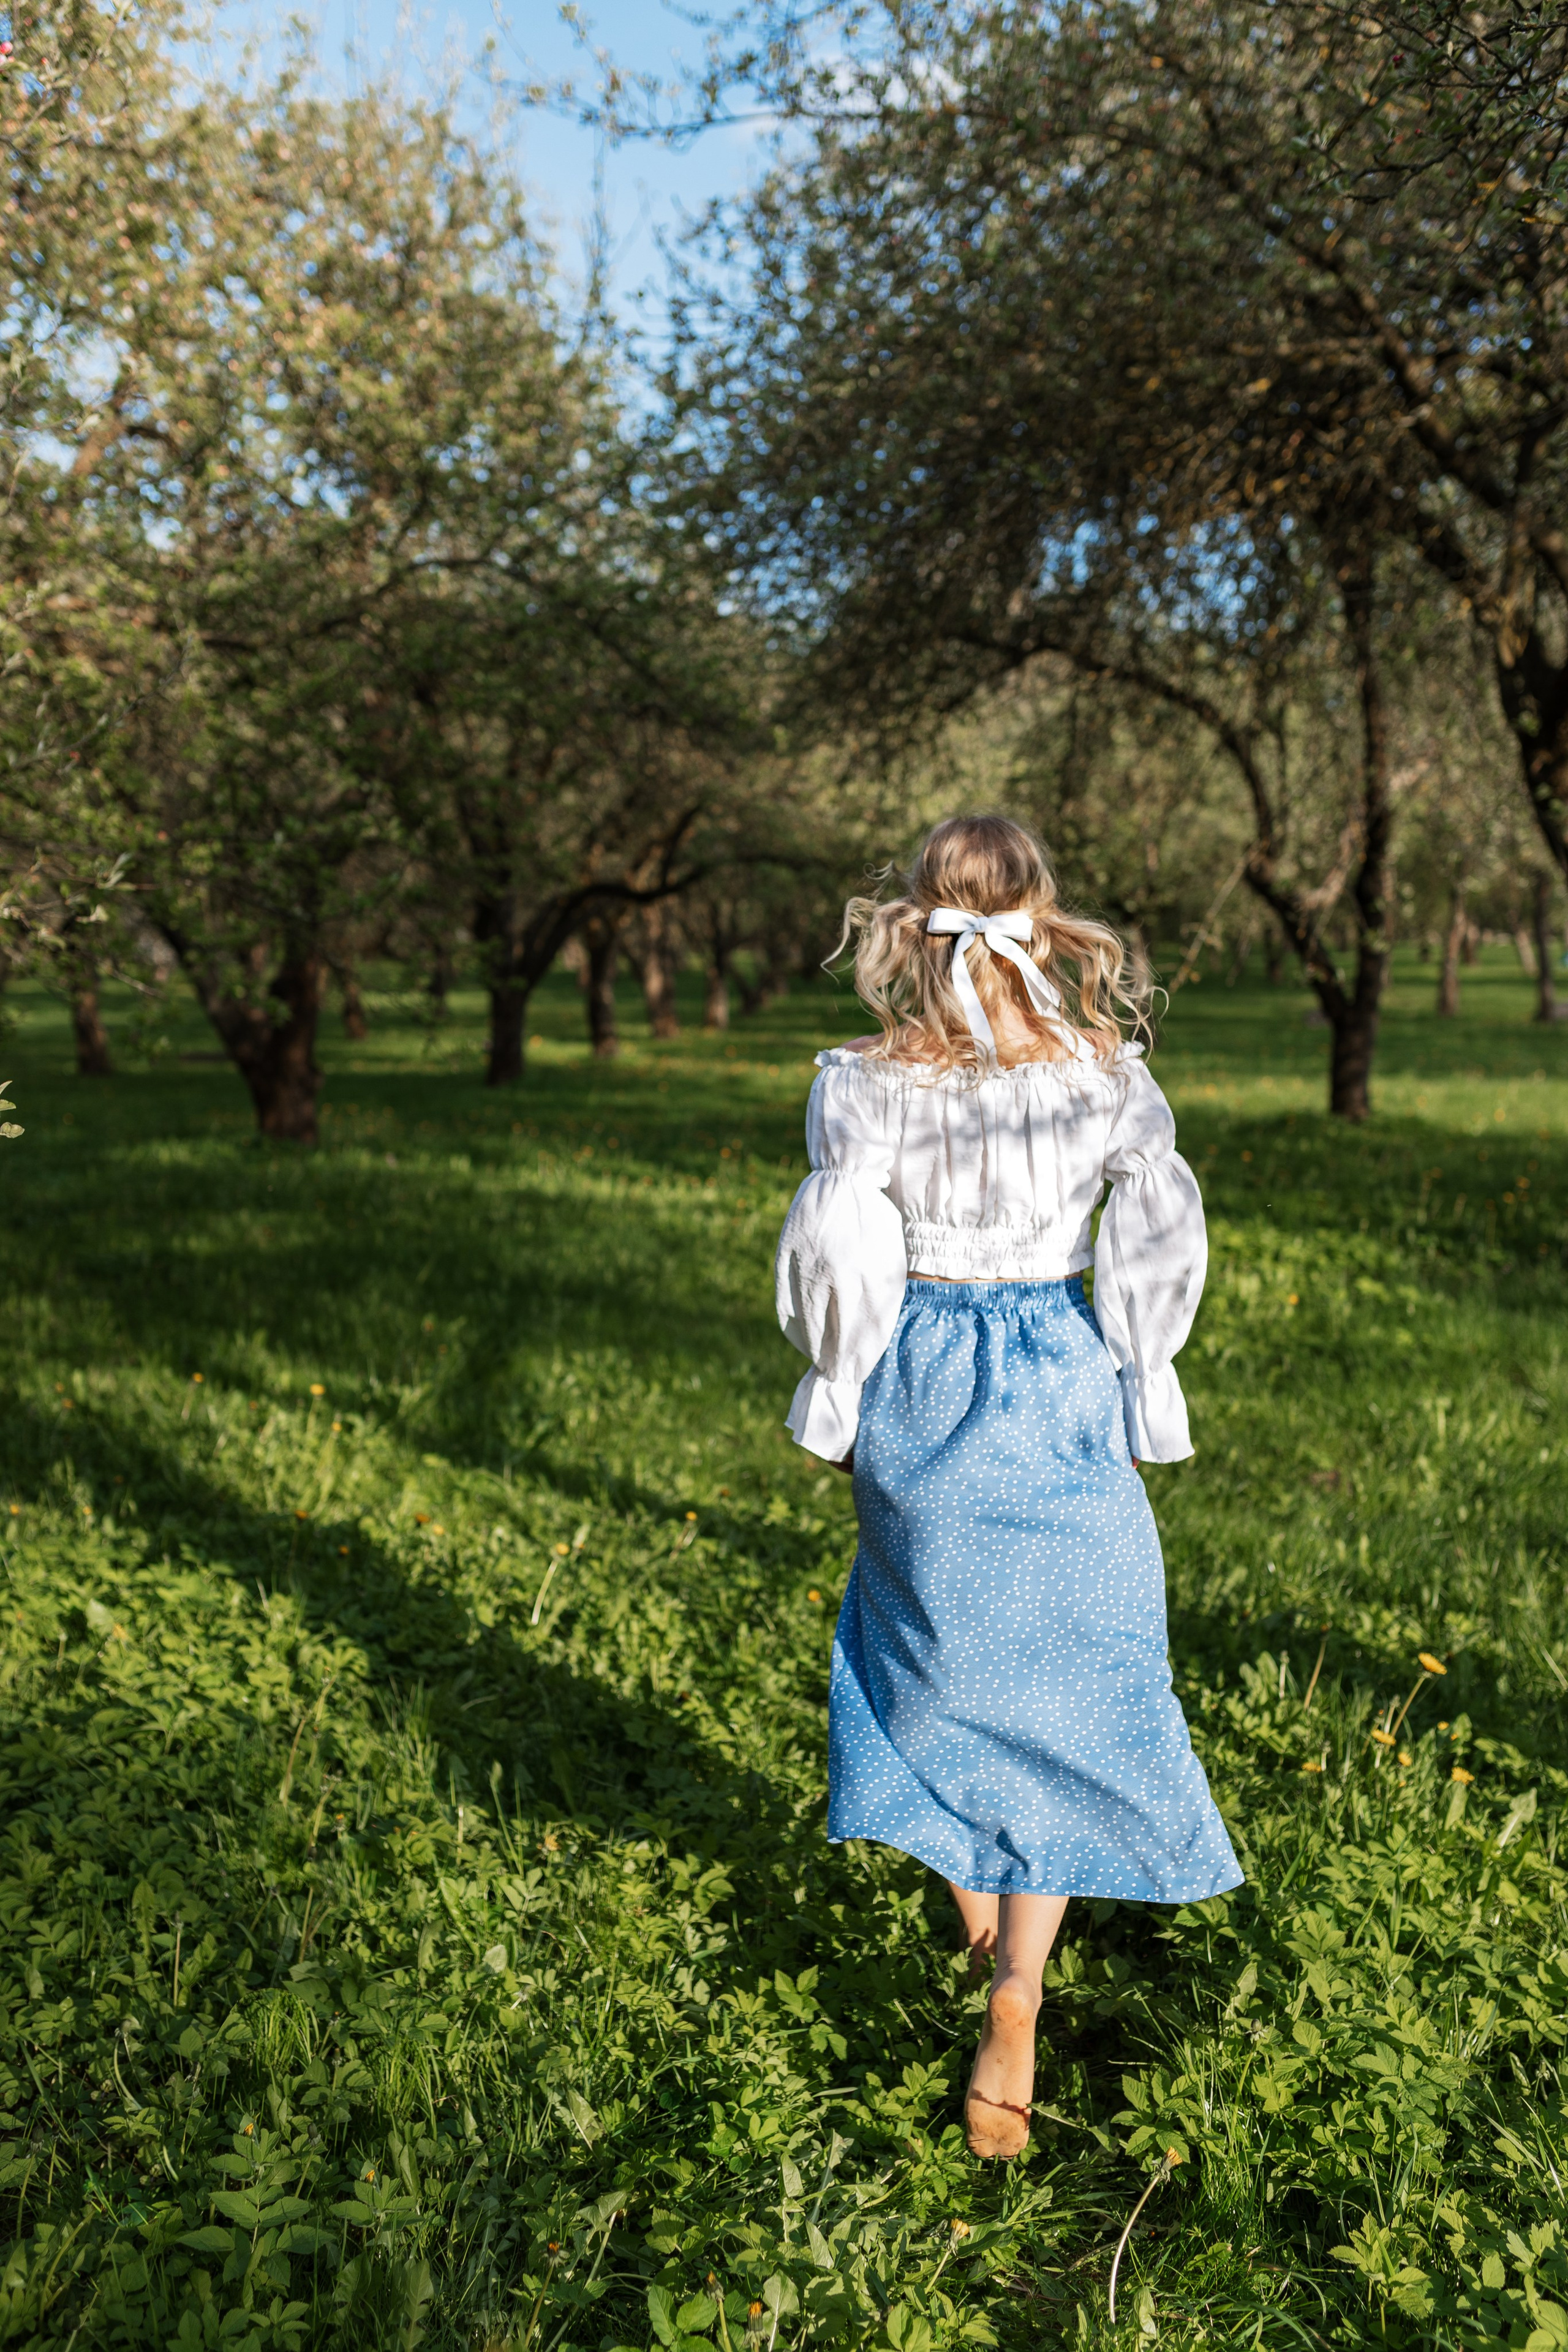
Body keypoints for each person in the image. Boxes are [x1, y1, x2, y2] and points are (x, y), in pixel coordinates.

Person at [774, 814, 1242, 2162]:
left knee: (928, 1659)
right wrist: (1146, 1384)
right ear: (1040, 916)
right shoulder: (1102, 1075)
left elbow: (843, 1249)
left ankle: (981, 1913)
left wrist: (835, 1393)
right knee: (1076, 1674)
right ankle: (1019, 1986)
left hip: (923, 1373)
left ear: (914, 924)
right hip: (1056, 1371)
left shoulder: (863, 1081)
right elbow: (1153, 1230)